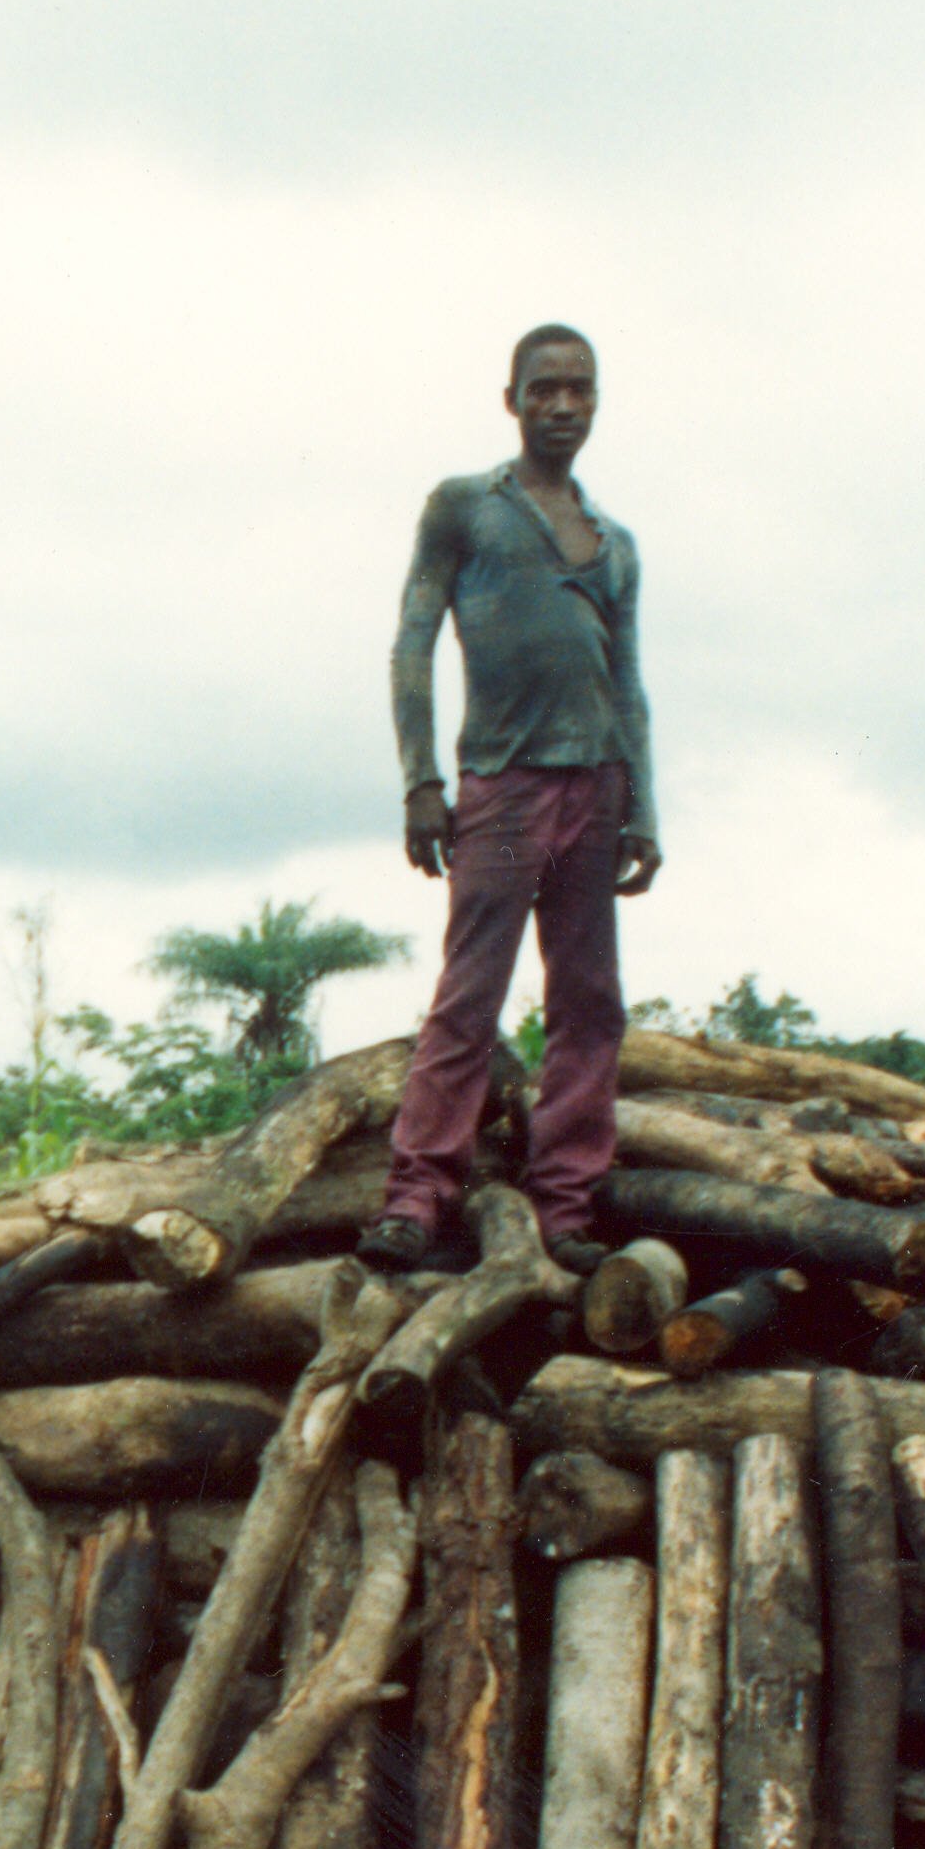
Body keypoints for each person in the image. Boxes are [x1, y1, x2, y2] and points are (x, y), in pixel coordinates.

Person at [359, 324, 658, 1273]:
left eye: (580, 390)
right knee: (470, 992)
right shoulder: (465, 510)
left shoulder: (613, 545)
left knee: (588, 1000)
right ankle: (416, 1197)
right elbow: (412, 644)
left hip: (596, 785)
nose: (563, 406)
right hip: (503, 789)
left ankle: (566, 1205)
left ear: (597, 402)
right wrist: (420, 780)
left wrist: (643, 806)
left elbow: (631, 682)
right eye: (545, 390)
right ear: (513, 401)